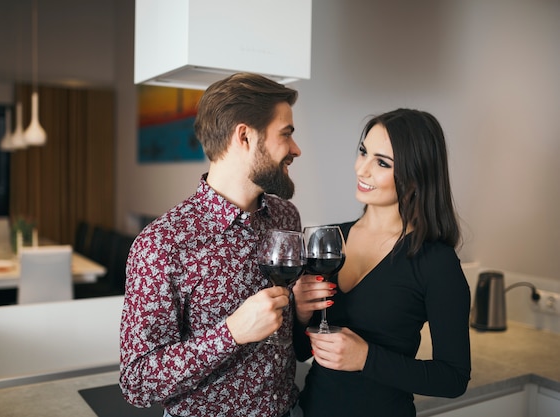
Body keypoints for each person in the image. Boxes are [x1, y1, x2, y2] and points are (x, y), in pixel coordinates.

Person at [120, 72, 304, 417]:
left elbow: (286, 332)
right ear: (245, 136)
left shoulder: (286, 218)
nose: (296, 149)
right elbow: (137, 381)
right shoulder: (162, 243)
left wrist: (302, 312)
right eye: (286, 134)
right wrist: (231, 333)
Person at [292, 108, 471, 416]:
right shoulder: (329, 242)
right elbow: (301, 350)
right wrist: (300, 313)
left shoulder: (436, 262)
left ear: (416, 176)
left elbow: (453, 379)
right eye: (363, 152)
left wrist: (366, 358)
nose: (362, 169)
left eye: (382, 162)